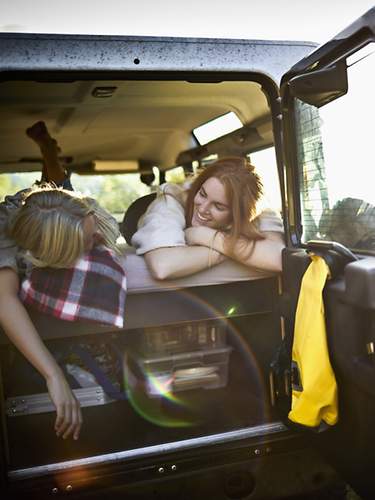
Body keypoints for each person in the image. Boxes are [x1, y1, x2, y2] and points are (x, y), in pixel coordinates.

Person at [0, 121, 121, 440]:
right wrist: (53, 376)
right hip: (30, 223)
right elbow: (4, 299)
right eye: (88, 240)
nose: (96, 238)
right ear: (52, 254)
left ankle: (49, 152)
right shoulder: (6, 237)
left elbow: (74, 211)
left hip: (52, 202)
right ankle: (48, 150)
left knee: (59, 187)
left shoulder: (84, 215)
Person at [131, 156, 285, 279]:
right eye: (202, 194)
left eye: (218, 206)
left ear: (238, 215)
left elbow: (279, 258)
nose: (202, 208)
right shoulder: (169, 203)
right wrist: (237, 249)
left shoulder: (259, 210)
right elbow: (163, 266)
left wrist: (204, 236)